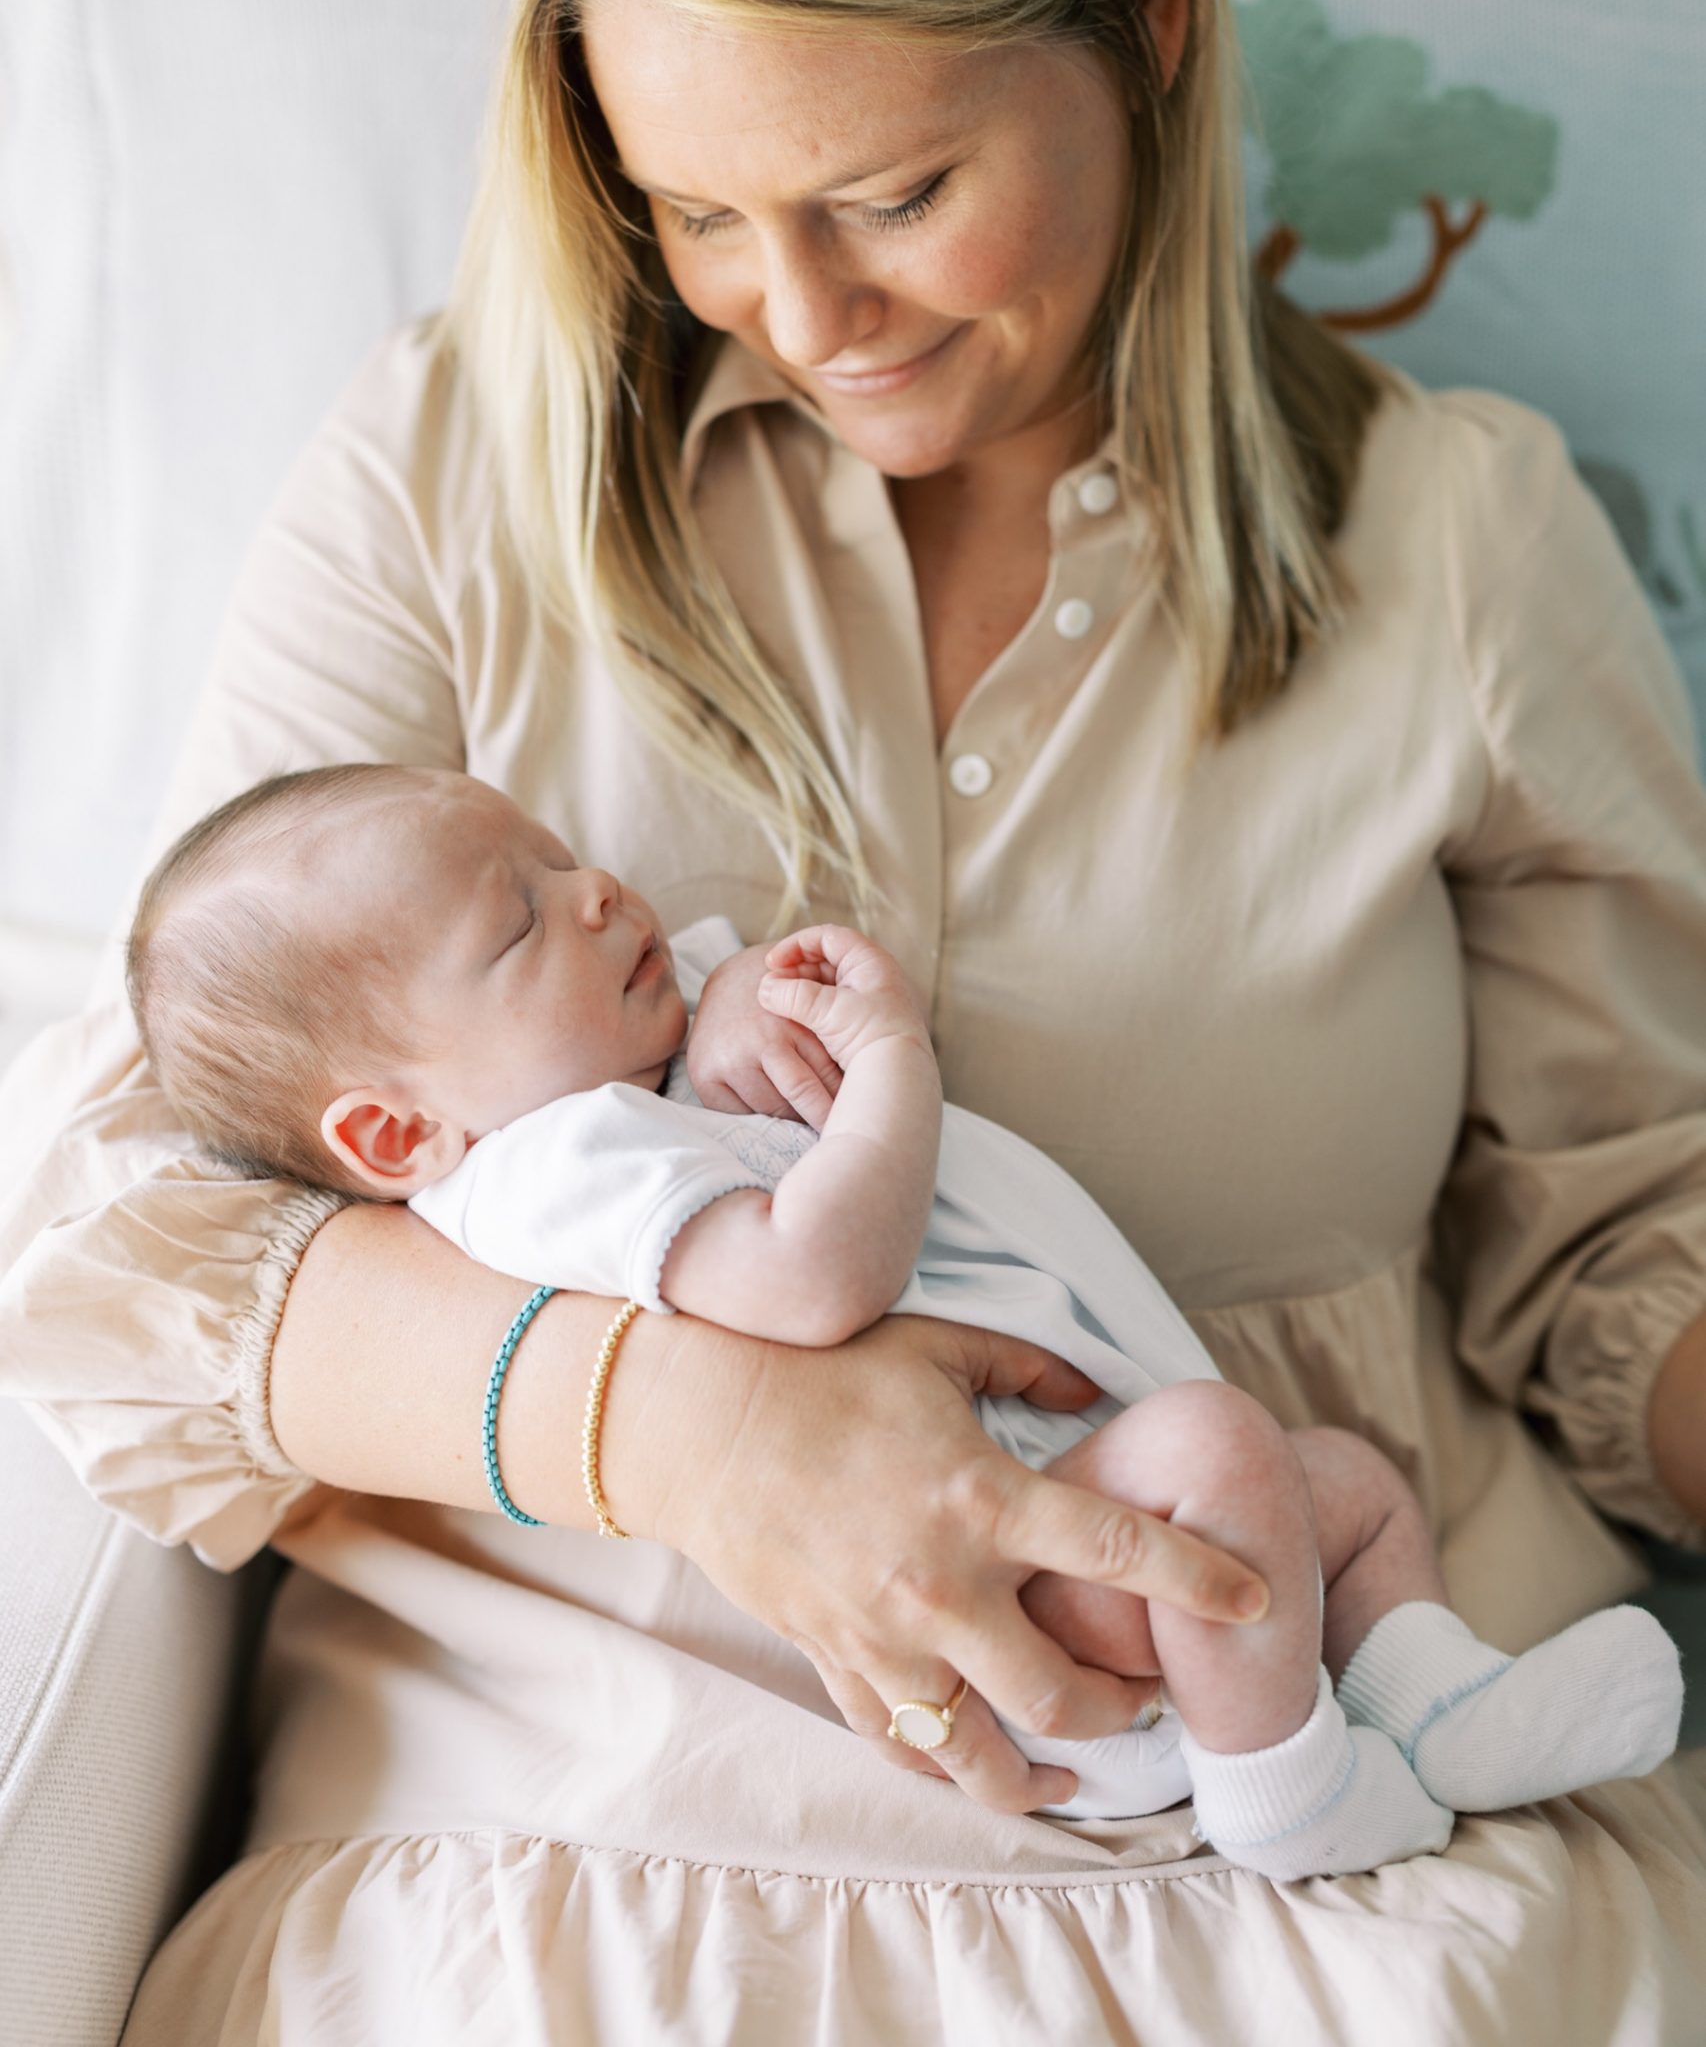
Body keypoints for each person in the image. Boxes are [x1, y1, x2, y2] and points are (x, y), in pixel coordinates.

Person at [2, 0, 1705, 2042]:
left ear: (1139, 22)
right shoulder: (452, 469)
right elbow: (124, 1226)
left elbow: (1631, 1243)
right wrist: (687, 1424)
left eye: (892, 195)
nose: (804, 318)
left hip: (1325, 1802)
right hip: (582, 1817)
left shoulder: (1452, 540)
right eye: (698, 215)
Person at [121, 758, 1685, 1870]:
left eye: (558, 858)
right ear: (395, 1134)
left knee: (1336, 1481)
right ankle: (1285, 1795)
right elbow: (812, 1278)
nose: (589, 891)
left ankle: (1434, 1702)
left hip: (1060, 1493)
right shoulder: (551, 1169)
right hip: (1003, 1582)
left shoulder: (618, 1077)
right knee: (1222, 1452)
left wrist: (748, 998)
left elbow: (734, 1060)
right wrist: (887, 1073)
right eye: (520, 925)